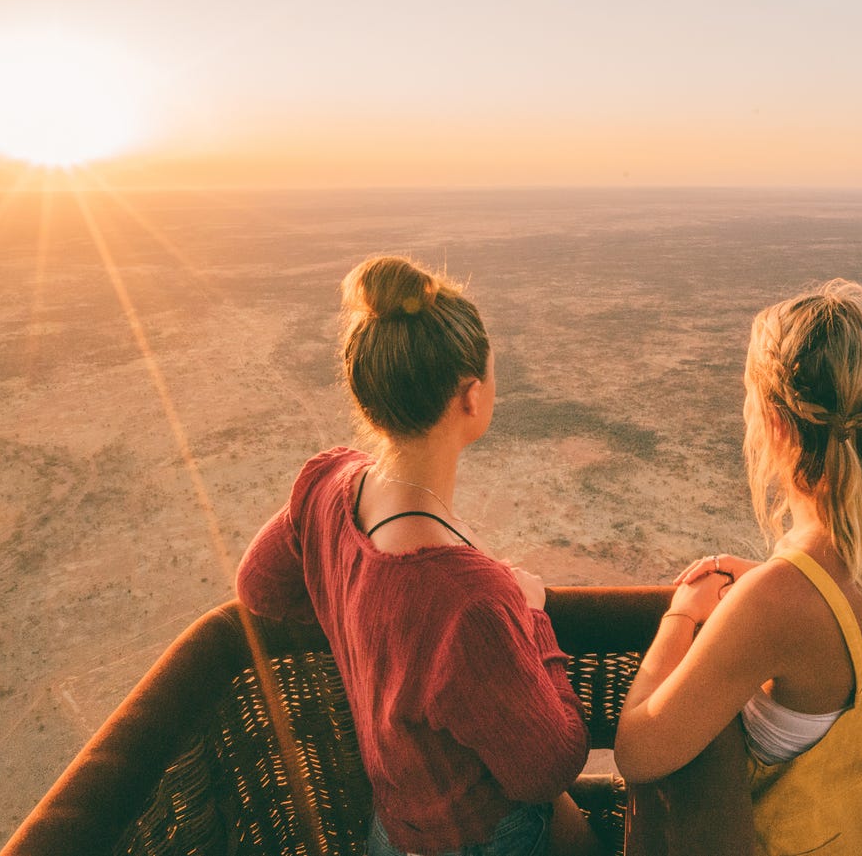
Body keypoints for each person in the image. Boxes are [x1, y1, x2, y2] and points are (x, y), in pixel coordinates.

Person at [236, 256, 595, 856]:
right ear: (470, 396)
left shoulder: (326, 486)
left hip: (392, 831)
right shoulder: (470, 599)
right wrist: (531, 614)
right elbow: (547, 770)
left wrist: (356, 616)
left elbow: (259, 586)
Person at [615, 279, 862, 856]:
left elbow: (638, 750)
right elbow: (837, 598)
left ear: (777, 422)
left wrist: (681, 616)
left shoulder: (775, 604)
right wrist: (769, 586)